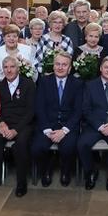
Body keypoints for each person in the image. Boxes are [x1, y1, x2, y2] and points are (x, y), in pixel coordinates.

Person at [0, 55, 35, 197]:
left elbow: (31, 112)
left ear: (18, 69)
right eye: (6, 67)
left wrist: (16, 130)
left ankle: (21, 182)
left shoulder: (28, 84)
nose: (9, 70)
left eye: (12, 67)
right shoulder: (0, 85)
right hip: (5, 123)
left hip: (24, 123)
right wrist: (1, 123)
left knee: (21, 143)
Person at [78, 56, 108, 192]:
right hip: (94, 126)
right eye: (106, 67)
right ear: (100, 68)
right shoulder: (90, 85)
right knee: (82, 144)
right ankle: (91, 172)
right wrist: (99, 125)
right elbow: (86, 109)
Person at [32, 52, 82, 186]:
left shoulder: (77, 84)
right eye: (58, 64)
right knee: (37, 147)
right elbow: (39, 107)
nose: (60, 67)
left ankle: (65, 172)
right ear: (53, 66)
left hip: (67, 126)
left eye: (64, 65)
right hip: (48, 124)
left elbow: (78, 111)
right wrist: (47, 130)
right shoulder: (44, 82)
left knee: (68, 147)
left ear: (70, 68)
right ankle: (45, 170)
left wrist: (64, 131)